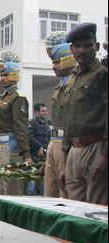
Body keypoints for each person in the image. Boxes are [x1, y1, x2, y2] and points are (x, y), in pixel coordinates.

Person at [60, 23, 108, 205]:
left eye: (87, 45)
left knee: (96, 211)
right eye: (77, 46)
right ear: (71, 49)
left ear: (95, 47)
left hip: (96, 149)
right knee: (75, 210)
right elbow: (67, 122)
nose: (82, 50)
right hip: (74, 150)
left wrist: (105, 156)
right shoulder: (72, 79)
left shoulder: (102, 75)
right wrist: (65, 162)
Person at [0, 51, 32, 196]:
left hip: (11, 147)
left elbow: (21, 128)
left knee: (11, 189)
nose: (2, 78)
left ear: (14, 75)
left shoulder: (18, 97)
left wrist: (26, 154)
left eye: (6, 75)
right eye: (1, 75)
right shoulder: (6, 96)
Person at [43, 31, 76, 199]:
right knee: (50, 195)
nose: (53, 66)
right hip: (53, 143)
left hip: (67, 145)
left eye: (57, 62)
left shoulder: (75, 83)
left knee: (65, 196)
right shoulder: (58, 87)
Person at [27, 103, 50, 196]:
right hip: (33, 158)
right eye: (43, 111)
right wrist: (39, 147)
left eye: (46, 110)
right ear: (36, 112)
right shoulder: (31, 123)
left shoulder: (47, 125)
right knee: (31, 187)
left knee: (44, 187)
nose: (45, 113)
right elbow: (30, 137)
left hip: (43, 160)